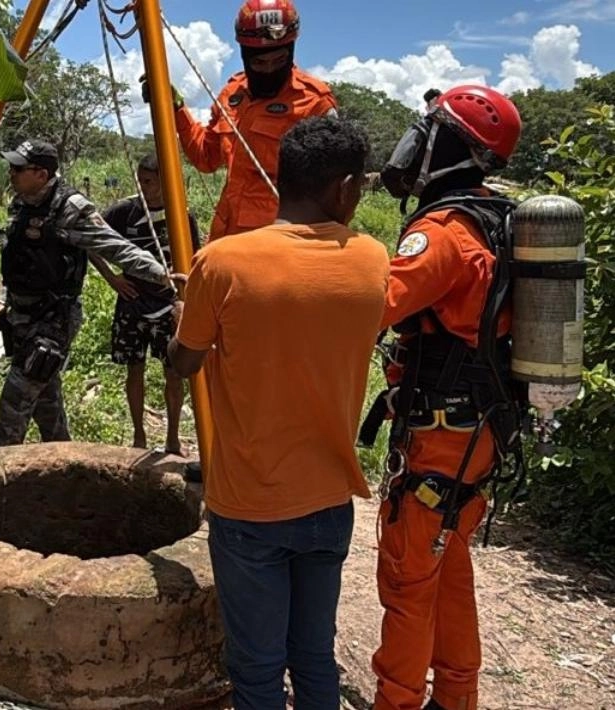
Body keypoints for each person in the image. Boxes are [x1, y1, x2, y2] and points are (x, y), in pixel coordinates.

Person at [168, 116, 388, 709]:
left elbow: (184, 362)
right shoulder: (372, 260)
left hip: (249, 507)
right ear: (343, 189)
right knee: (314, 654)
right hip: (328, 501)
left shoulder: (222, 262)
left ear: (278, 179)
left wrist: (189, 307)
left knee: (257, 665)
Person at [363, 85, 523, 710]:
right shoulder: (496, 219)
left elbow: (371, 307)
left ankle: (395, 702)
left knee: (407, 579)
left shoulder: (444, 234)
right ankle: (457, 697)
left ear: (446, 142)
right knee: (448, 568)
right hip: (480, 432)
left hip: (439, 436)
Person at [0, 139, 170, 447]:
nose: (11, 173)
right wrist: (7, 306)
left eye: (19, 168)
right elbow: (20, 262)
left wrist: (162, 275)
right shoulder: (21, 203)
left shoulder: (69, 208)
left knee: (13, 406)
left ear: (41, 174)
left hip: (52, 320)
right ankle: (64, 461)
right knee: (47, 404)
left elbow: (116, 247)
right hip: (21, 316)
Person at [153, 0, 336, 240]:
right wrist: (177, 111)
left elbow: (335, 191)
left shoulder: (314, 103)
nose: (269, 70)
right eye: (259, 62)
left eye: (278, 60)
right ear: (244, 55)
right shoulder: (232, 95)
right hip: (225, 236)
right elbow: (206, 158)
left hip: (278, 243)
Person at [90, 153, 200, 453]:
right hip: (132, 304)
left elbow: (194, 259)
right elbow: (91, 239)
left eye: (149, 181)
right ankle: (139, 436)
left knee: (174, 374)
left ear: (165, 183)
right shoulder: (125, 211)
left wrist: (186, 300)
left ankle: (173, 439)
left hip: (168, 306)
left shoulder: (181, 216)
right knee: (134, 370)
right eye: (140, 180)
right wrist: (112, 279)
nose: (143, 186)